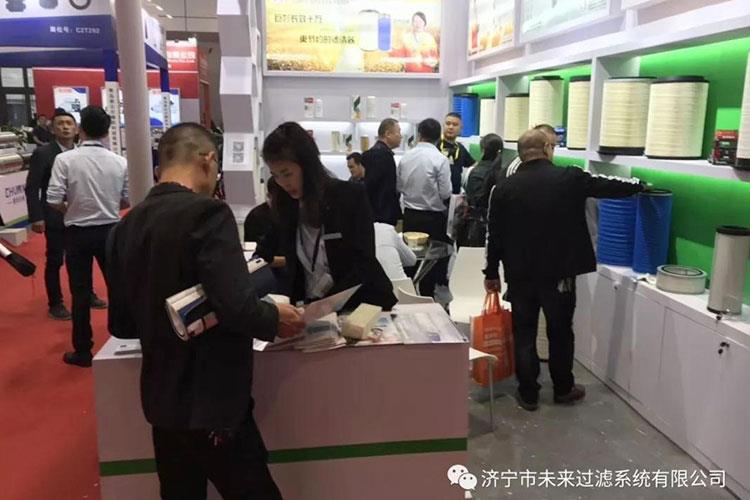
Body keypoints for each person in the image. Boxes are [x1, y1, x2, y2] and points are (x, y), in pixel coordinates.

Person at [106, 123, 304, 500]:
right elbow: (238, 307)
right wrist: (276, 318)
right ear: (208, 159)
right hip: (213, 401)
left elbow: (122, 324)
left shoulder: (125, 226)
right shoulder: (208, 214)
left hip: (162, 404)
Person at [484, 128, 645, 412]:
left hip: (520, 275)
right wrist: (639, 186)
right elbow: (606, 185)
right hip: (560, 275)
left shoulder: (503, 188)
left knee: (524, 332)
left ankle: (528, 393)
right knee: (560, 332)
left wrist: (491, 273)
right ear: (547, 149)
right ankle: (562, 388)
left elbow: (493, 234)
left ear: (521, 154)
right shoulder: (569, 177)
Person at [259, 122, 397, 310]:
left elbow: (363, 262)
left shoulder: (349, 196)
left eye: (287, 174)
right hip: (310, 308)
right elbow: (266, 251)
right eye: (275, 175)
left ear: (307, 166)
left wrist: (326, 305)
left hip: (359, 305)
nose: (283, 183)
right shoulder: (286, 205)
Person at [46, 105, 129, 367]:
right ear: (106, 132)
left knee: (80, 293)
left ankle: (83, 350)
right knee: (118, 287)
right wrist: (107, 206)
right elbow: (127, 199)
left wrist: (73, 209)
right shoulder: (119, 161)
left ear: (80, 129)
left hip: (77, 232)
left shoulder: (65, 160)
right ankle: (124, 337)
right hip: (111, 230)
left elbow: (53, 199)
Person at [25, 111, 106, 319]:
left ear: (77, 129)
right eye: (60, 124)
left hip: (80, 215)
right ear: (53, 129)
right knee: (55, 260)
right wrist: (36, 217)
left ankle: (87, 294)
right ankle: (55, 302)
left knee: (82, 258)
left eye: (69, 123)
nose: (65, 127)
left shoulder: (82, 153)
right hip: (54, 215)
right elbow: (32, 187)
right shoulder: (43, 153)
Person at [397, 118, 452, 298]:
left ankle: (408, 295)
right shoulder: (440, 159)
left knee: (409, 259)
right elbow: (445, 192)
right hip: (433, 217)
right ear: (439, 136)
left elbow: (399, 186)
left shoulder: (406, 157)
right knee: (430, 261)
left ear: (419, 134)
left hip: (410, 216)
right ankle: (427, 297)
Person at [458, 133, 504, 247]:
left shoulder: (473, 171)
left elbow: (469, 197)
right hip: (497, 226)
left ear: (482, 150)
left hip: (474, 226)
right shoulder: (504, 173)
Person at [361, 118, 402, 226]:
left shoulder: (370, 154)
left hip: (371, 213)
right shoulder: (383, 156)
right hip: (382, 215)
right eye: (398, 132)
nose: (400, 136)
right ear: (387, 134)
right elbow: (385, 190)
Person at [438, 113, 475, 194]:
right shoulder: (435, 145)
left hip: (455, 195)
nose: (451, 127)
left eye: (455, 125)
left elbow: (473, 165)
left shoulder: (460, 148)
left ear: (461, 128)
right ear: (443, 125)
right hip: (437, 196)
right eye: (448, 124)